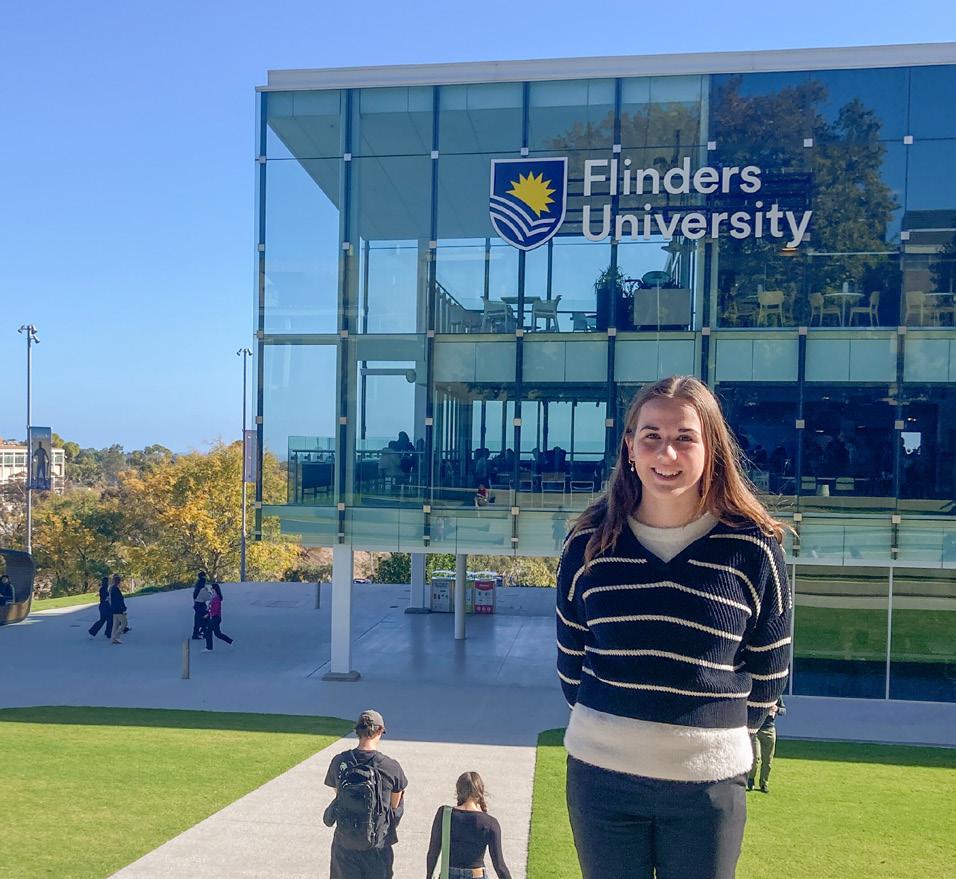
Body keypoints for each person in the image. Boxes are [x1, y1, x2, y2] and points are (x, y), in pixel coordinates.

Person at [556, 375, 792, 879]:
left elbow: (771, 669)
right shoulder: (588, 545)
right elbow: (571, 661)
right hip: (601, 783)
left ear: (712, 448)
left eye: (685, 437)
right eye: (652, 436)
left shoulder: (753, 549)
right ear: (630, 447)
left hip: (708, 790)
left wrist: (709, 741)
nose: (667, 453)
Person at [323, 709, 408, 879]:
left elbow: (339, 795)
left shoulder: (339, 761)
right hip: (377, 846)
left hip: (345, 845)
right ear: (379, 731)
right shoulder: (391, 767)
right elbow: (394, 806)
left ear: (358, 731)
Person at [425, 771, 513, 879]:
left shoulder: (444, 814)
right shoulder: (490, 823)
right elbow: (499, 866)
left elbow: (433, 853)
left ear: (458, 791)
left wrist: (429, 876)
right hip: (477, 875)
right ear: (480, 792)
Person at [748, 697, 786, 794]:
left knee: (768, 759)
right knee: (755, 757)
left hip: (769, 729)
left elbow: (783, 711)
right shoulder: (757, 693)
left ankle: (764, 783)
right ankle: (751, 779)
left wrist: (777, 709)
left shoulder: (776, 696)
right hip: (755, 729)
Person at [202, 582, 234, 652]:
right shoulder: (214, 597)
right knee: (217, 634)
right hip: (214, 617)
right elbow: (211, 607)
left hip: (215, 618)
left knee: (208, 631)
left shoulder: (217, 598)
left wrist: (209, 613)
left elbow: (215, 609)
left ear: (215, 589)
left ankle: (209, 647)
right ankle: (230, 641)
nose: (211, 590)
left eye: (212, 588)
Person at [109, 574, 128, 645]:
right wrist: (123, 608)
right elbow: (119, 600)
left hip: (114, 609)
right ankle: (115, 636)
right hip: (118, 609)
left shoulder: (112, 588)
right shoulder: (115, 589)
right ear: (118, 581)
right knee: (124, 623)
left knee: (115, 625)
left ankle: (113, 639)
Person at [191, 572, 210, 639]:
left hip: (197, 604)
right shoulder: (202, 587)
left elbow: (194, 596)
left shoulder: (197, 586)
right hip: (201, 604)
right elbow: (207, 597)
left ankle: (196, 633)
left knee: (197, 619)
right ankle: (204, 632)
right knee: (205, 618)